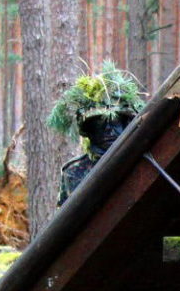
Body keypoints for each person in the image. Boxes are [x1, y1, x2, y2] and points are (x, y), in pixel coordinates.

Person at [47, 61, 145, 204]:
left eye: (114, 121)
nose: (109, 130)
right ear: (89, 130)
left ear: (125, 124)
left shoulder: (141, 163)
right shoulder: (73, 172)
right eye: (100, 123)